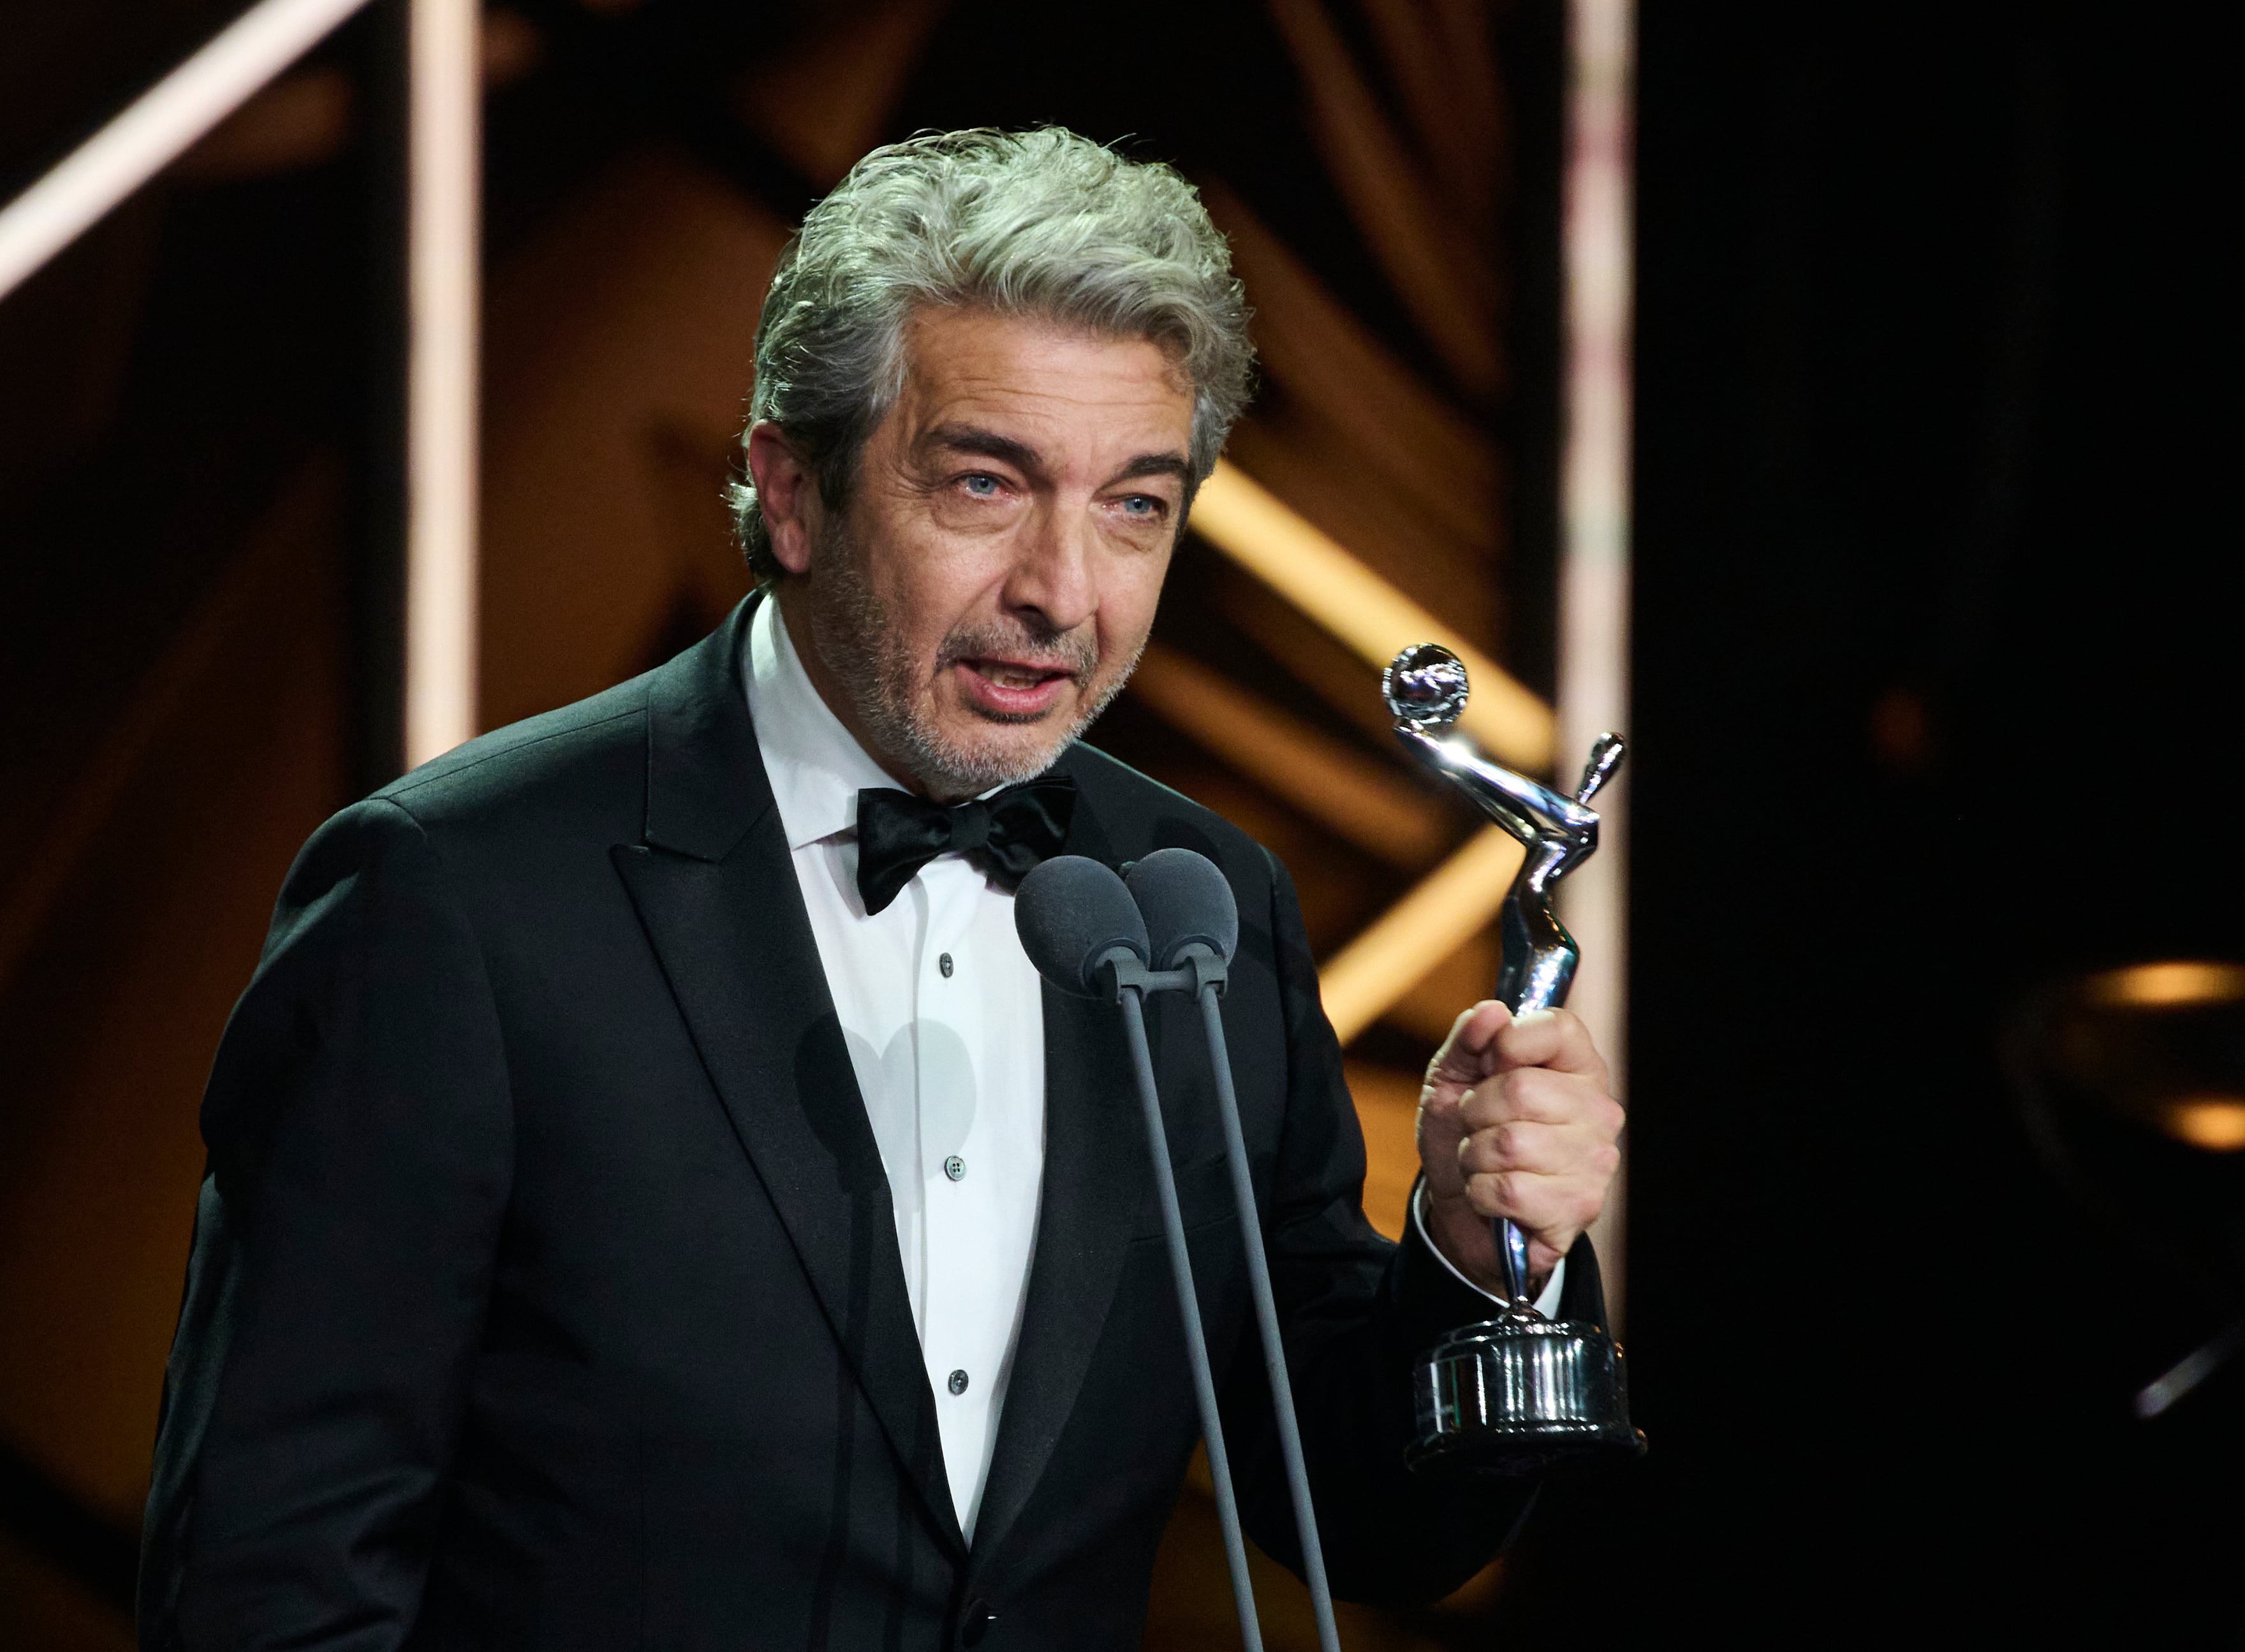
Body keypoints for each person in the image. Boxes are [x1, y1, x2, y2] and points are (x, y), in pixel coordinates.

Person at [138, 126, 1626, 1651]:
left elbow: (1370, 1516)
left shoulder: (1203, 910)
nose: (1064, 590)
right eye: (987, 483)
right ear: (790, 490)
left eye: (1136, 503)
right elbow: (266, 1582)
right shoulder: (454, 897)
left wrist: (1467, 1245)